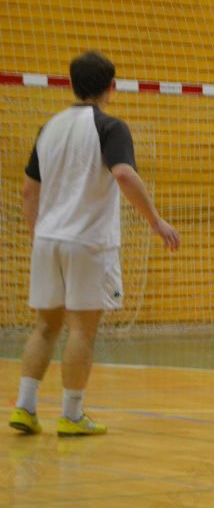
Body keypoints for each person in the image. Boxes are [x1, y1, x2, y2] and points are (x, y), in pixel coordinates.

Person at [8, 51, 180, 437]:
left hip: (47, 240)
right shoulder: (111, 127)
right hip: (87, 242)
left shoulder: (49, 127)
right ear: (111, 86)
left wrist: (38, 235)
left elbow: (28, 190)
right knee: (81, 331)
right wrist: (156, 220)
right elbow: (124, 174)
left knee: (44, 327)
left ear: (72, 84)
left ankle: (25, 407)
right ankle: (71, 416)